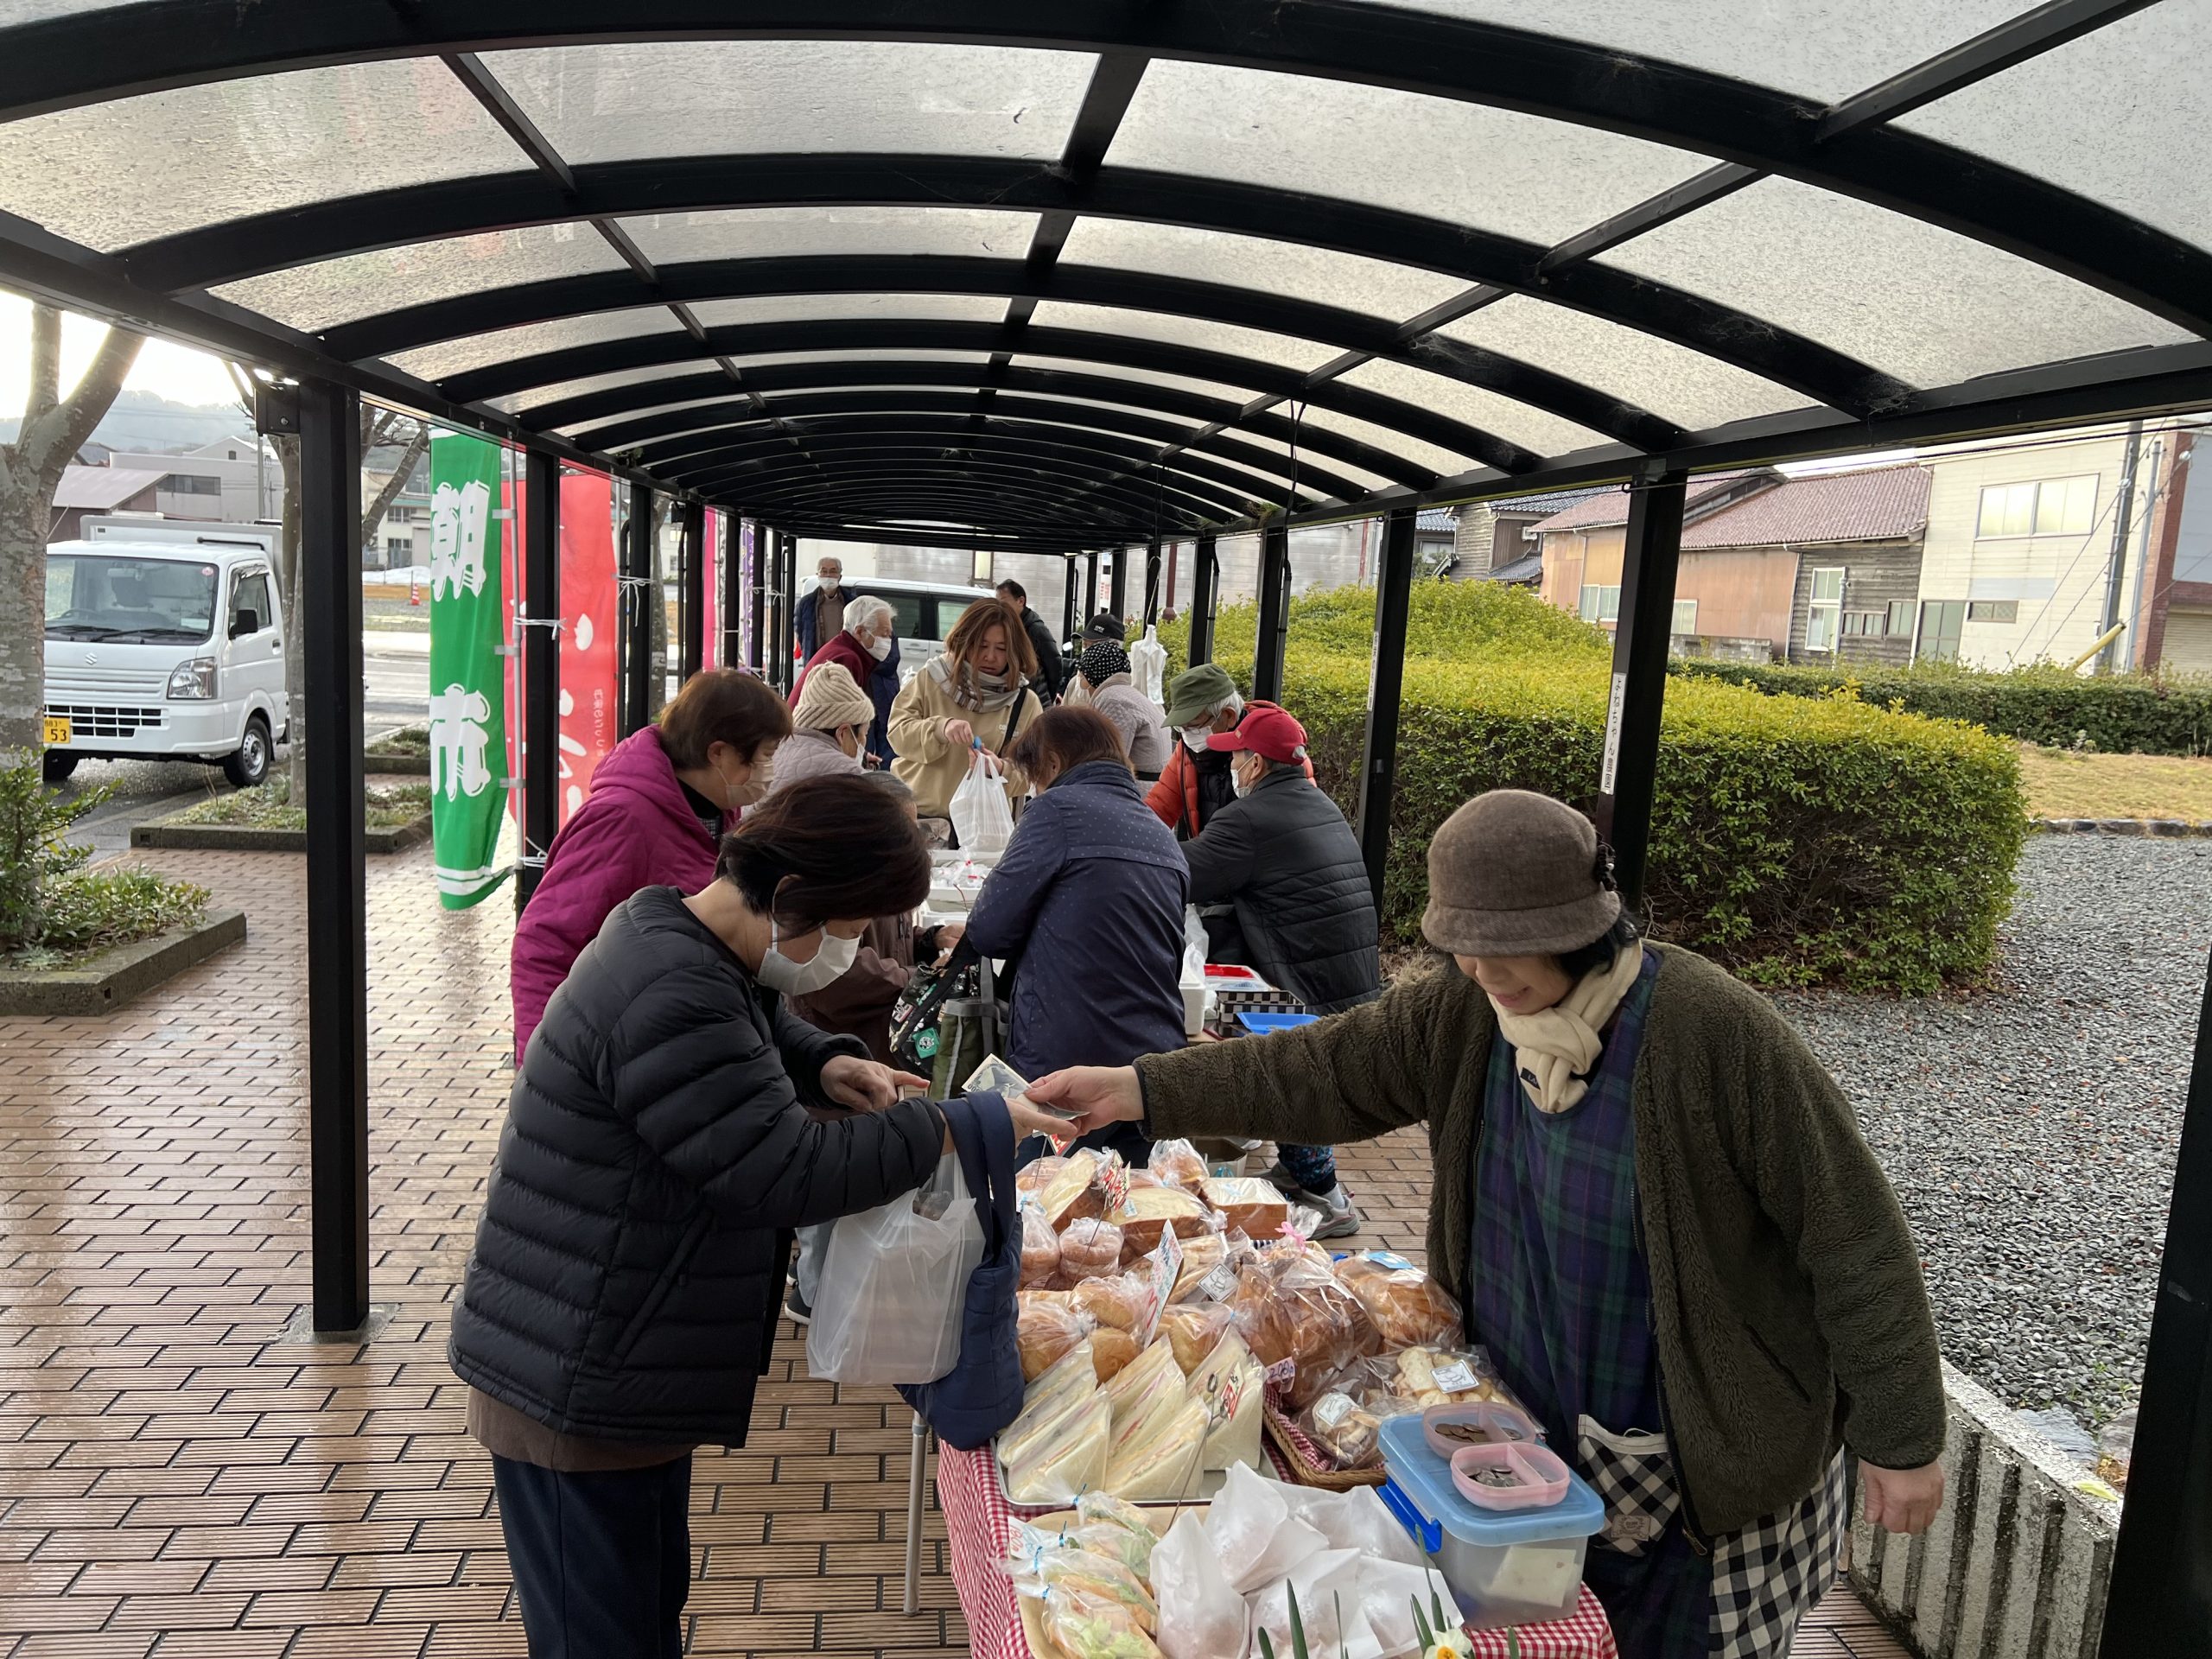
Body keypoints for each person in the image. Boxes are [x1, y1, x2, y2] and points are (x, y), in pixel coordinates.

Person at [1028, 789, 1948, 1659]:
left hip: (1699, 1466)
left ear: (1587, 929)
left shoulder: (1710, 1033)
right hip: (1520, 1435)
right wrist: (1141, 1088)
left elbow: (1852, 1235)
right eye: (1464, 947)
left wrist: (1901, 1440)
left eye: (1511, 947)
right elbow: (1318, 1070)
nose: (1483, 970)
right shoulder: (1466, 1012)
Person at [454, 777, 1060, 1656]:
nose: (848, 951)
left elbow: (750, 1026)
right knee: (603, 1638)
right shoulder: (671, 987)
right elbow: (786, 1170)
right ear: (791, 896)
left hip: (616, 1362)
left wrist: (822, 1063)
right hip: (573, 1382)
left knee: (641, 1619)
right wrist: (956, 1126)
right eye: (850, 928)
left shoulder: (677, 934)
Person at [510, 668, 788, 1062]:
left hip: (670, 1040)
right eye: (765, 757)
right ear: (719, 753)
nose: (769, 772)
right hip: (609, 1052)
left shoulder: (716, 811)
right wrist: (543, 1062)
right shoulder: (623, 818)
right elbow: (546, 942)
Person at [1184, 703, 1376, 1239]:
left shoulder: (1251, 819)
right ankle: (1295, 1173)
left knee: (1288, 1072)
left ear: (1258, 764)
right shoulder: (1315, 801)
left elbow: (1184, 872)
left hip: (1305, 980)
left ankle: (1328, 1198)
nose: (1231, 766)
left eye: (1237, 756)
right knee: (1291, 1066)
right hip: (1343, 974)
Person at [965, 706, 1188, 1166]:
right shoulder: (1160, 833)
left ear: (1051, 763)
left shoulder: (1055, 810)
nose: (1035, 789)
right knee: (1132, 1202)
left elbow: (988, 929)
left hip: (1066, 1067)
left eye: (1034, 779)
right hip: (1152, 1071)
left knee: (1045, 1200)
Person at [783, 772, 962, 1323]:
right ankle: (812, 1294)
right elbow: (835, 974)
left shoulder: (886, 874)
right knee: (826, 1185)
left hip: (870, 1048)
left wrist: (928, 940)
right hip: (836, 1047)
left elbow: (892, 938)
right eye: (901, 829)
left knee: (854, 1180)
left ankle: (829, 1283)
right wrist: (910, 978)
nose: (912, 843)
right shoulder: (841, 881)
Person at [887, 596, 1039, 824]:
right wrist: (940, 729)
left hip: (982, 827)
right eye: (981, 646)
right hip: (919, 818)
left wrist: (1000, 769)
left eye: (1001, 648)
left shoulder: (1025, 702)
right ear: (964, 641)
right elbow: (897, 733)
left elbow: (1033, 771)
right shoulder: (933, 678)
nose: (990, 656)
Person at [1147, 664, 1311, 841]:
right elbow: (1159, 807)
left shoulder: (1276, 749)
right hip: (1211, 850)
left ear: (1229, 716)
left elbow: (1299, 821)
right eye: (1181, 728)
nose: (1187, 735)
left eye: (1194, 726)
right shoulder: (1187, 752)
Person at [759, 662, 873, 798]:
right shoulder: (850, 775)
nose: (864, 743)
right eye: (865, 733)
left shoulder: (771, 751)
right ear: (843, 733)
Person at [1075, 639, 1170, 779]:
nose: (1080, 680)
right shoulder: (1125, 694)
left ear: (1092, 675)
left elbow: (1108, 760)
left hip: (1138, 787)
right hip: (1149, 784)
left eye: (1082, 675)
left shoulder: (1113, 700)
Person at [794, 594, 895, 709]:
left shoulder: (840, 648)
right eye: (884, 634)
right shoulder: (846, 660)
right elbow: (843, 714)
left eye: (889, 635)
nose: (888, 641)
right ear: (859, 632)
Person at [996, 577, 1065, 702]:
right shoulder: (1010, 626)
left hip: (1036, 697)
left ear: (1021, 601)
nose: (1000, 607)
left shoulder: (1036, 629)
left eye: (1004, 601)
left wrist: (1050, 695)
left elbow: (1054, 663)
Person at [1058, 609, 1123, 709]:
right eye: (1085, 644)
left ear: (1115, 647)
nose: (1088, 651)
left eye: (1093, 646)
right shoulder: (1074, 683)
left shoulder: (1121, 690)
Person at [794, 553, 848, 660]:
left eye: (833, 571)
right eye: (824, 571)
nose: (828, 575)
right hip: (816, 660)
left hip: (844, 659)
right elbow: (800, 633)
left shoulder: (851, 601)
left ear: (840, 576)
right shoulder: (805, 603)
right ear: (818, 575)